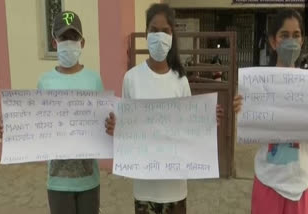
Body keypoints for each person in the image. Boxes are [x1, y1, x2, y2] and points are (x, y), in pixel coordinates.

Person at [105, 3, 223, 214]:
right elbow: (127, 127)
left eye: (165, 31)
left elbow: (190, 128)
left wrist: (206, 119)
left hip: (175, 189)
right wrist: (117, 128)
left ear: (172, 35)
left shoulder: (180, 81)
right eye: (154, 30)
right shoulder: (132, 78)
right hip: (144, 189)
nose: (160, 35)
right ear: (146, 33)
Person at [0, 11, 104, 214]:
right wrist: (13, 131)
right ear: (54, 42)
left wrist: (111, 126)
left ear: (83, 43)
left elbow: (102, 123)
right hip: (58, 181)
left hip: (89, 179)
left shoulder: (94, 80)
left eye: (74, 38)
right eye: (64, 37)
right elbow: (37, 123)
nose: (69, 42)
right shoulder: (45, 82)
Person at [233, 9, 308, 214]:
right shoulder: (255, 86)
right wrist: (240, 110)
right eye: (284, 35)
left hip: (300, 185)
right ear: (273, 42)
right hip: (268, 181)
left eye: (296, 35)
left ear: (302, 41)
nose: (291, 41)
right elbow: (249, 127)